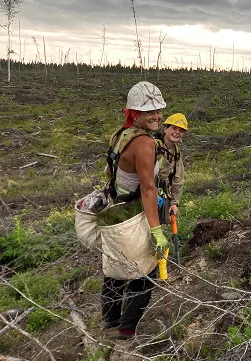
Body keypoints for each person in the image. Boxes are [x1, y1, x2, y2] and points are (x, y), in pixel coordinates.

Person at [98, 81, 171, 340]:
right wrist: (156, 231)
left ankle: (110, 317)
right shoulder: (144, 143)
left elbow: (110, 171)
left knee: (116, 265)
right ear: (135, 113)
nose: (157, 116)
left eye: (158, 110)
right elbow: (148, 189)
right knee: (146, 270)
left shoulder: (121, 135)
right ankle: (127, 330)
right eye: (149, 111)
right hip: (134, 214)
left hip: (115, 211)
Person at [155, 113, 188, 224]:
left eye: (181, 130)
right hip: (145, 193)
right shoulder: (154, 146)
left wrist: (174, 203)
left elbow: (178, 178)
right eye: (174, 128)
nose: (177, 132)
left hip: (162, 194)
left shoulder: (176, 151)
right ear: (165, 129)